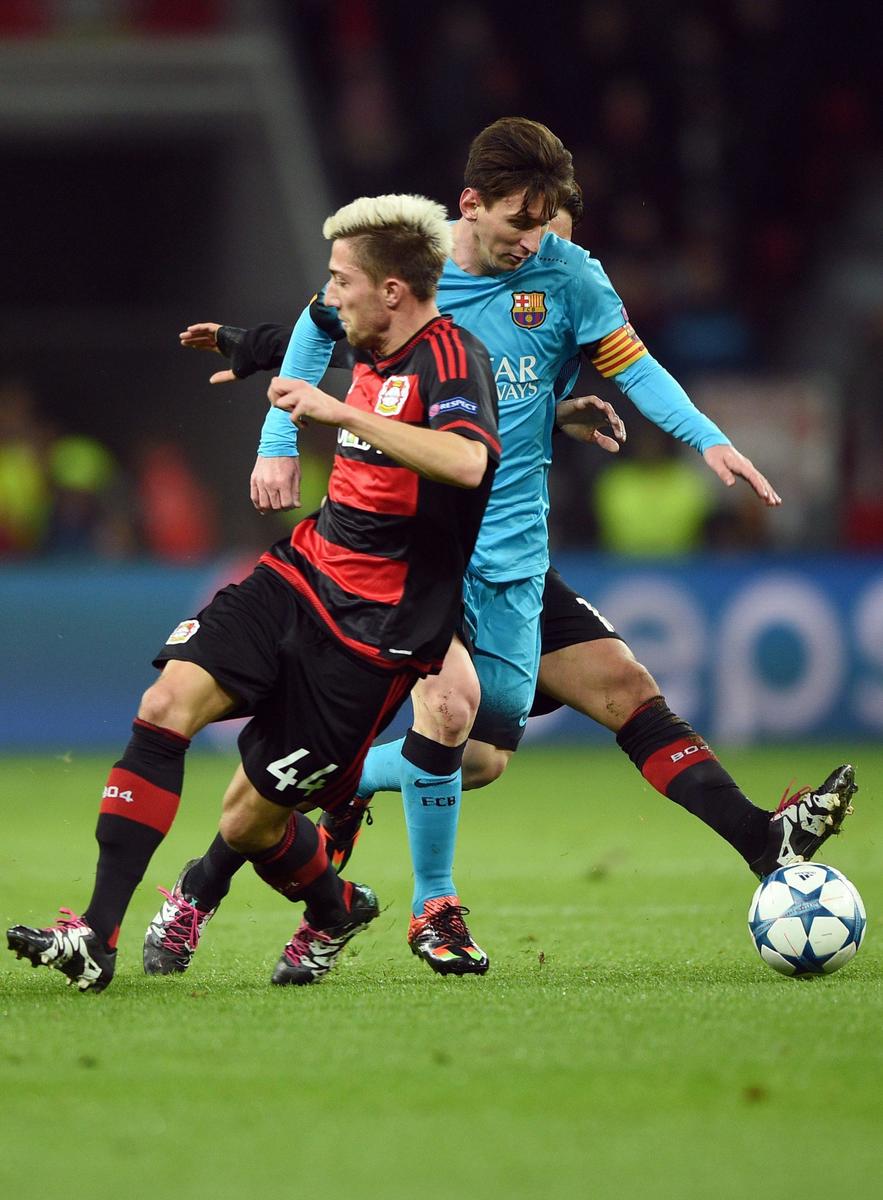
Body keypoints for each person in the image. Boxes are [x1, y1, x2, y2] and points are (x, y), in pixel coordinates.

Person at [172, 120, 856, 978]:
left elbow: (627, 368)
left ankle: (759, 838)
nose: (535, 241)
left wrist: (703, 438)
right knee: (446, 712)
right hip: (415, 551)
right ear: (470, 205)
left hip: (513, 551)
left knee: (528, 733)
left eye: (545, 224)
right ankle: (408, 906)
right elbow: (330, 329)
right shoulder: (414, 263)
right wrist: (275, 431)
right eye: (521, 223)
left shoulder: (567, 274)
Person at [5, 193, 503, 993]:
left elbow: (467, 461)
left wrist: (337, 411)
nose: (329, 295)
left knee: (248, 820)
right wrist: (259, 363)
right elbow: (310, 328)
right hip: (299, 574)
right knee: (166, 702)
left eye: (341, 281)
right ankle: (95, 935)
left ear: (392, 292)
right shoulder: (363, 325)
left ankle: (335, 907)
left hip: (373, 637)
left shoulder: (450, 359)